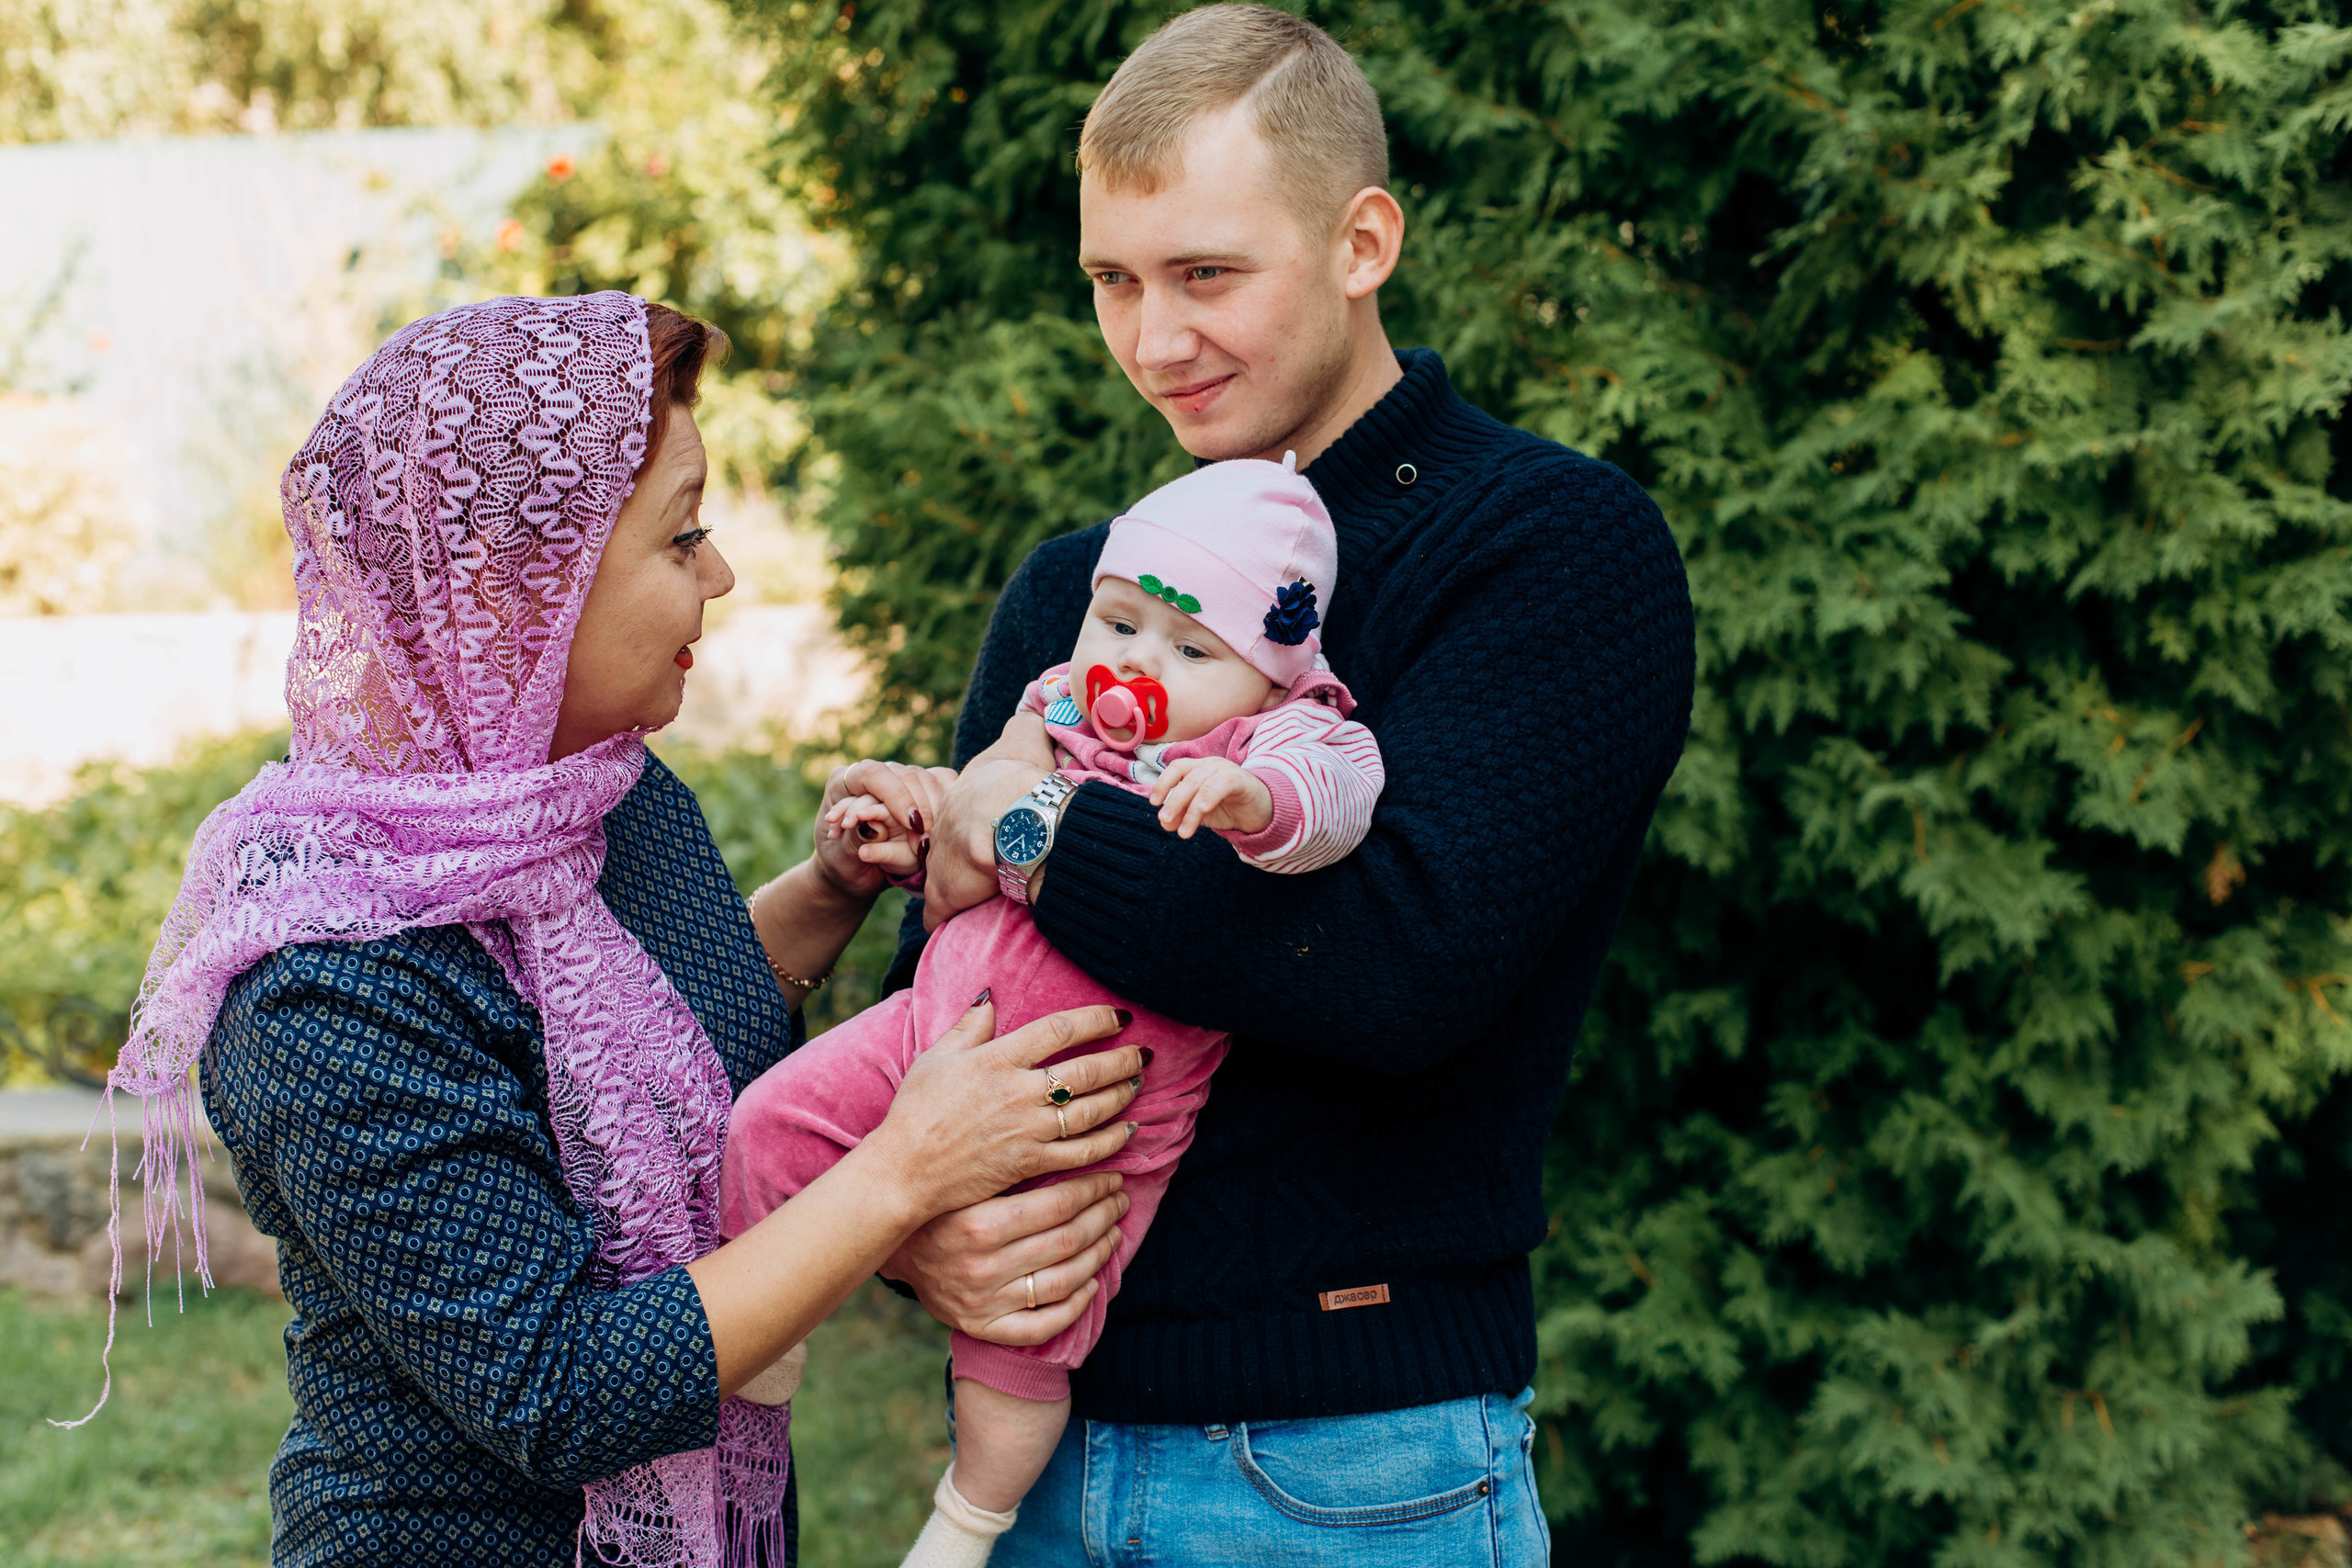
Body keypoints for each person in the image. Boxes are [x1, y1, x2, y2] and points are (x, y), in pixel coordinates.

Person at [82, 293, 1147, 1568]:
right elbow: (559, 1386)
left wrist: (827, 890)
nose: (722, 574)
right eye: (682, 534)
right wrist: (905, 1172)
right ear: (513, 593)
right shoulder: (325, 977)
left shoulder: (605, 794)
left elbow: (674, 1041)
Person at [873, 7, 1697, 1564]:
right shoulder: (1080, 584)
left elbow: (1392, 965)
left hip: (1355, 1472)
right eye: (1114, 280)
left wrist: (1028, 821)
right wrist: (926, 1233)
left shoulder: (1549, 548)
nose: (1152, 341)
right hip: (1032, 1457)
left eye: (1206, 274)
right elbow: (942, 993)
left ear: (1361, 241)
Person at [721, 457, 1383, 1566]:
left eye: (1191, 650)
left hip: (1101, 1115)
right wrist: (935, 818)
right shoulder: (1066, 702)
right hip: (932, 1035)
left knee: (1023, 1341)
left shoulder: (1275, 734)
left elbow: (1338, 802)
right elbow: (982, 823)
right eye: (1117, 623)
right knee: (767, 1125)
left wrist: (1252, 801)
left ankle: (965, 1522)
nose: (1136, 664)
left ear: (1271, 678)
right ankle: (767, 1356)